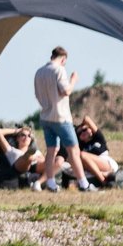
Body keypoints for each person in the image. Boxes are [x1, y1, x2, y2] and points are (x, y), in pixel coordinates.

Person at [33, 46, 94, 193]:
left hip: (46, 116)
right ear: (63, 59)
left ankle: (50, 183)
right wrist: (73, 80)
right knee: (73, 150)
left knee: (51, 151)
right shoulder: (59, 70)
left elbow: (37, 94)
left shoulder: (39, 72)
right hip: (61, 117)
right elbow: (66, 90)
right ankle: (83, 184)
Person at [0, 124, 44, 189]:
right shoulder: (11, 150)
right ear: (17, 138)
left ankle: (38, 183)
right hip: (18, 168)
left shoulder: (37, 152)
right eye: (23, 135)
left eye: (29, 136)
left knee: (52, 162)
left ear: (31, 139)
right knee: (28, 157)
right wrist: (17, 130)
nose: (26, 137)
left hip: (34, 168)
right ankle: (28, 156)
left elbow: (45, 162)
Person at [73, 115, 123, 187]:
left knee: (82, 155)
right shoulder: (81, 145)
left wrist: (80, 126)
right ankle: (105, 175)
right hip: (92, 168)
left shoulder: (98, 137)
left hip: (106, 163)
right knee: (79, 159)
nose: (83, 132)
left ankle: (103, 181)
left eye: (85, 130)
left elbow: (86, 118)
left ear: (90, 129)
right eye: (80, 133)